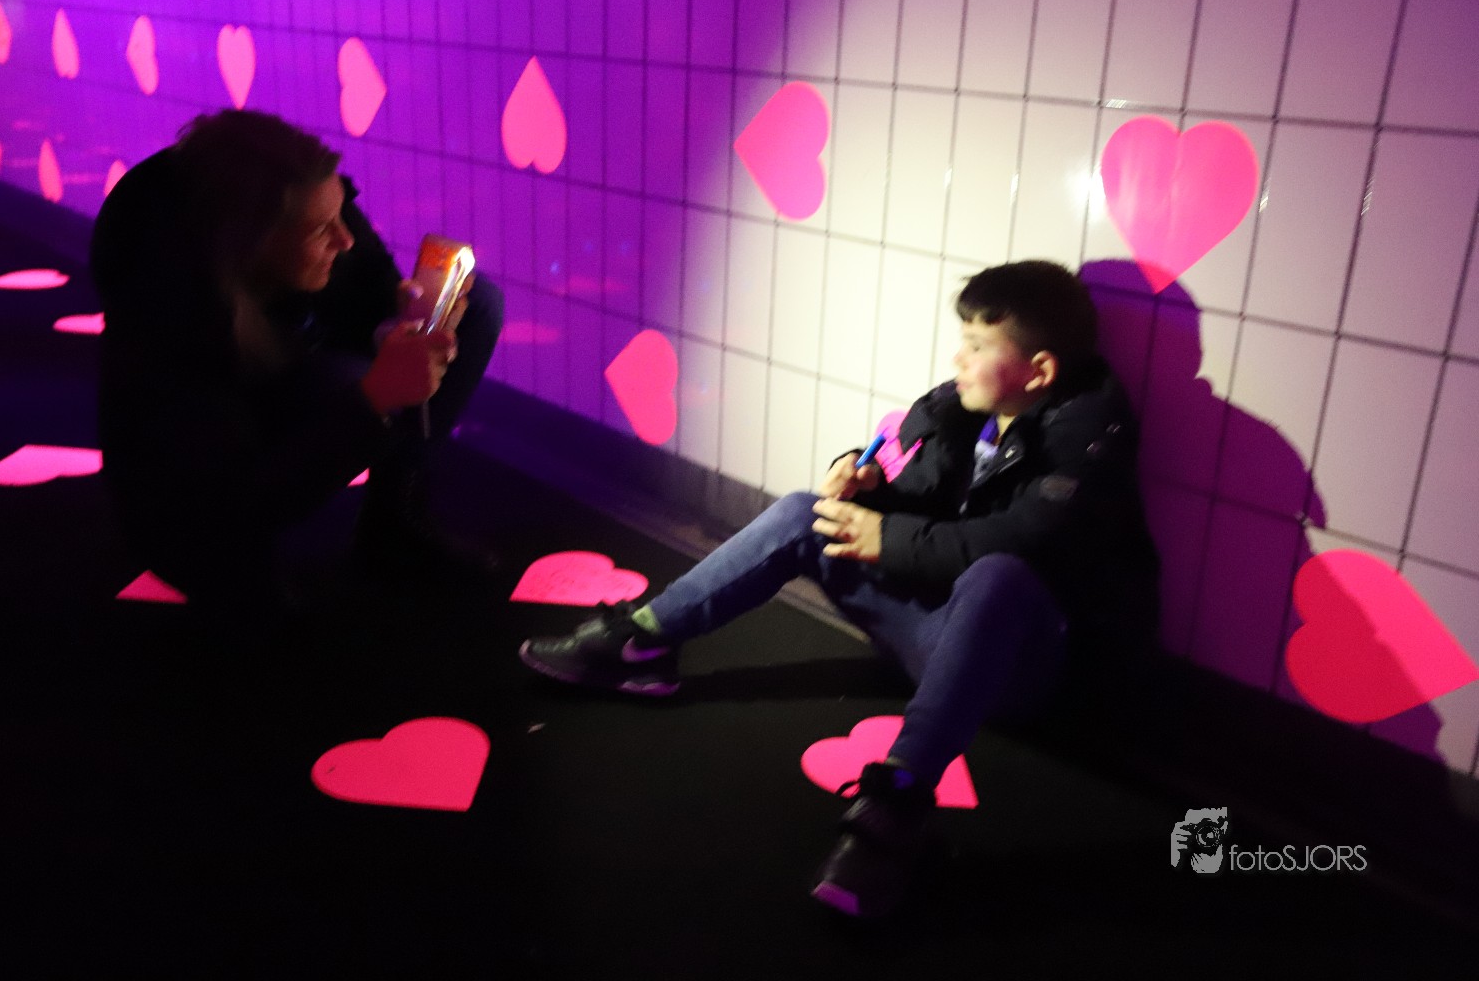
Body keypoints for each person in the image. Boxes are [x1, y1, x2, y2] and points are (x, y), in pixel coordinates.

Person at [519, 259, 1159, 918]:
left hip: (1020, 671)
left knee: (999, 576)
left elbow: (1022, 543)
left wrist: (889, 536)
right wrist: (866, 486)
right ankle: (643, 642)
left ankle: (894, 806)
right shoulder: (968, 408)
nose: (957, 358)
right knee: (806, 512)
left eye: (975, 345)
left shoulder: (1089, 438)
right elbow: (920, 499)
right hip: (937, 630)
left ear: (1040, 370)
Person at [90, 109, 503, 623]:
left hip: (275, 380)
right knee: (345, 385)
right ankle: (241, 579)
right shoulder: (171, 310)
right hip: (192, 513)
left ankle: (392, 524)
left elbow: (366, 272)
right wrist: (374, 399)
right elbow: (223, 497)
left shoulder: (300, 198)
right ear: (250, 242)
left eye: (342, 212)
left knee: (477, 306)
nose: (344, 239)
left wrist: (400, 308)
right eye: (321, 230)